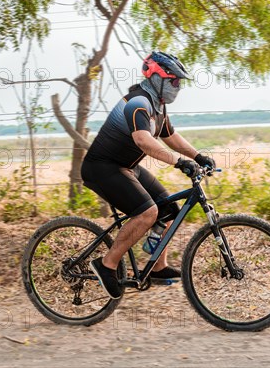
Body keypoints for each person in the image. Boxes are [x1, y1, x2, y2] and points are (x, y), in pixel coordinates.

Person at [81, 51, 215, 299]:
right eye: (174, 81)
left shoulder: (158, 106)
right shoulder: (138, 103)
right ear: (156, 78)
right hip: (101, 167)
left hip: (125, 166)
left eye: (179, 82)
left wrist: (198, 156)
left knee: (169, 210)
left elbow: (171, 137)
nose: (178, 87)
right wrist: (179, 162)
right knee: (147, 213)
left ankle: (156, 267)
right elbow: (143, 141)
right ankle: (106, 264)